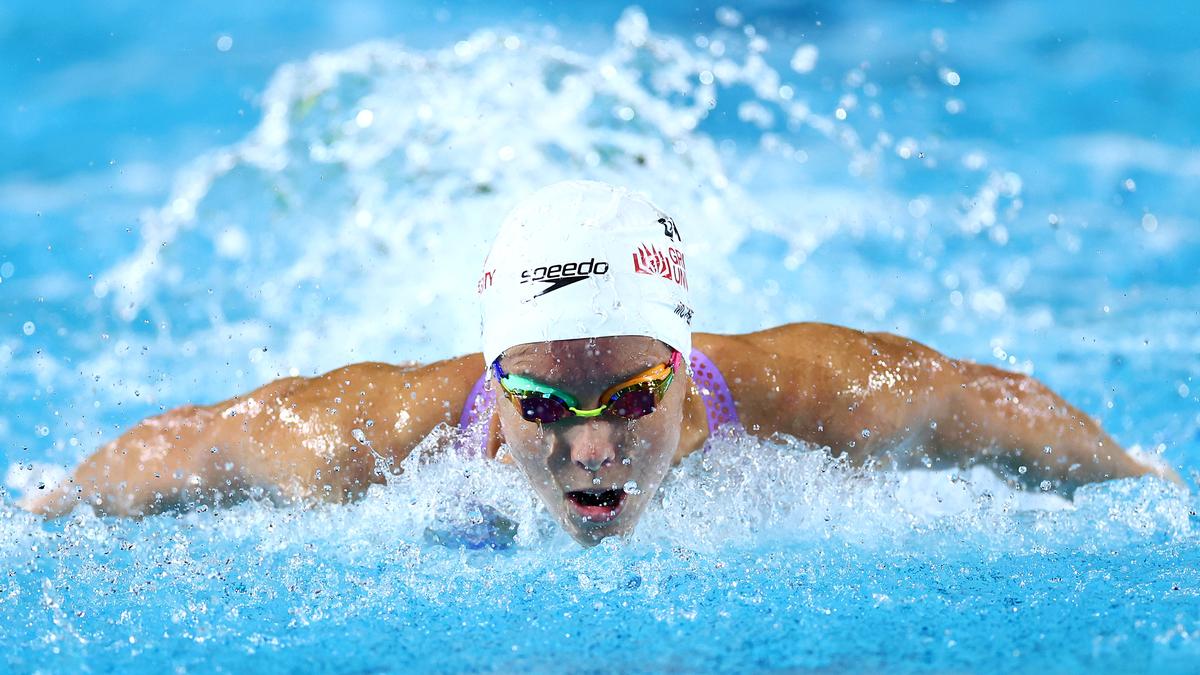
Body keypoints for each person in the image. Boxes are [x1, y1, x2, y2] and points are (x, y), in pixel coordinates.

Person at [20, 180, 1180, 546]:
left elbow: (995, 408)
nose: (587, 448)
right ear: (497, 384)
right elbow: (193, 442)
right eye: (541, 403)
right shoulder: (354, 440)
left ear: (682, 368)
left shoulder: (831, 396)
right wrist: (46, 508)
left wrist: (1150, 487)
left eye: (631, 396)